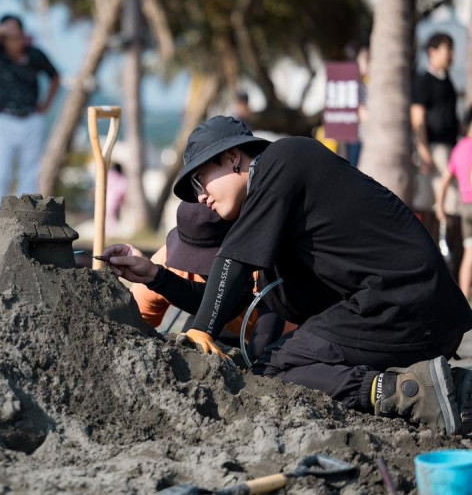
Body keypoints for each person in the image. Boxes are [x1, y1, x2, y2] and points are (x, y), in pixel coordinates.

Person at [104, 115, 472, 435]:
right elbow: (240, 303)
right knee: (279, 358)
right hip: (408, 311)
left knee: (277, 368)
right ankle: (451, 387)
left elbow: (231, 263)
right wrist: (155, 276)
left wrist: (202, 329)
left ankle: (406, 393)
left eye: (201, 181)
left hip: (403, 302)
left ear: (234, 158)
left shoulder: (284, 159)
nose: (201, 197)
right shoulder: (282, 224)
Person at [129, 201, 292, 359]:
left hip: (277, 323)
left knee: (265, 362)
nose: (197, 266)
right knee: (191, 352)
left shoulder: (266, 262)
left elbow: (275, 319)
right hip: (214, 322)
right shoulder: (162, 266)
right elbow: (131, 326)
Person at [0, 15, 60, 216]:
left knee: (30, 175)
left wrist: (46, 105)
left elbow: (55, 76)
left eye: (14, 30)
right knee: (1, 175)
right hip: (3, 119)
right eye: (6, 32)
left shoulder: (34, 54)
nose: (11, 35)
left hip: (31, 119)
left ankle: (26, 219)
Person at [411, 33, 459, 217]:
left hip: (450, 147)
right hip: (433, 149)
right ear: (433, 52)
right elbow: (418, 118)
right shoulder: (424, 80)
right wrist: (424, 153)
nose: (452, 55)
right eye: (448, 50)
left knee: (450, 204)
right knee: (429, 201)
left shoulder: (448, 81)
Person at [437, 108, 472, 298]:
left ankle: (464, 296)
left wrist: (440, 207)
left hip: (465, 205)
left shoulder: (459, 149)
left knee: (469, 252)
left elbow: (445, 180)